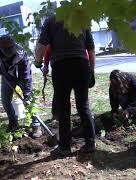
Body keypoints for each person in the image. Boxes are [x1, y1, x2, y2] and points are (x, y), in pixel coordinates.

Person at [35, 15, 96, 155]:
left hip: (61, 67)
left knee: (63, 107)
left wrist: (38, 62)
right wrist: (91, 71)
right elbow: (91, 51)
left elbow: (41, 45)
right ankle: (90, 143)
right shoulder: (82, 20)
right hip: (82, 65)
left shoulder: (50, 20)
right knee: (83, 104)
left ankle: (65, 147)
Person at [0, 35, 42, 137]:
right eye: (6, 49)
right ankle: (13, 123)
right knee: (5, 101)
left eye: (11, 47)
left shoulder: (21, 55)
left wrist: (26, 94)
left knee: (30, 100)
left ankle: (36, 126)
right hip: (7, 78)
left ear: (14, 45)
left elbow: (26, 76)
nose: (9, 50)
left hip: (21, 77)